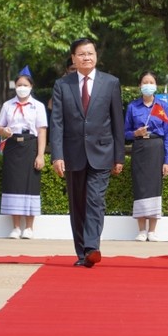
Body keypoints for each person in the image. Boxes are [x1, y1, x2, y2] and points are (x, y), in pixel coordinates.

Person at [50, 38, 125, 268]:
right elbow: (57, 122)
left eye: (90, 53)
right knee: (78, 205)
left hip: (102, 152)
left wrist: (119, 156)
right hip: (73, 153)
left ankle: (92, 247)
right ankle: (82, 252)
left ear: (96, 56)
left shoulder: (110, 83)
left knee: (95, 200)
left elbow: (117, 122)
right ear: (73, 58)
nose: (86, 57)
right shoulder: (63, 85)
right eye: (81, 54)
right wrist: (57, 155)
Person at [0, 66, 48, 239]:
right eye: (19, 85)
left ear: (31, 86)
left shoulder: (38, 106)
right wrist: (4, 132)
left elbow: (41, 131)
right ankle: (16, 227)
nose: (22, 88)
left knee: (30, 185)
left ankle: (29, 227)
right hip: (12, 146)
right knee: (13, 184)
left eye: (25, 84)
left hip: (30, 146)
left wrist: (40, 155)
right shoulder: (7, 105)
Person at [124, 71, 168, 242]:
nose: (148, 85)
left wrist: (167, 160)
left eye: (151, 82)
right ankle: (141, 230)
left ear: (156, 85)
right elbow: (125, 133)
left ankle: (152, 230)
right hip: (139, 148)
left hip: (156, 148)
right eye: (145, 82)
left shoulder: (162, 106)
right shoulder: (132, 107)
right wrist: (135, 133)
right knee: (140, 186)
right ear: (140, 86)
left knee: (154, 187)